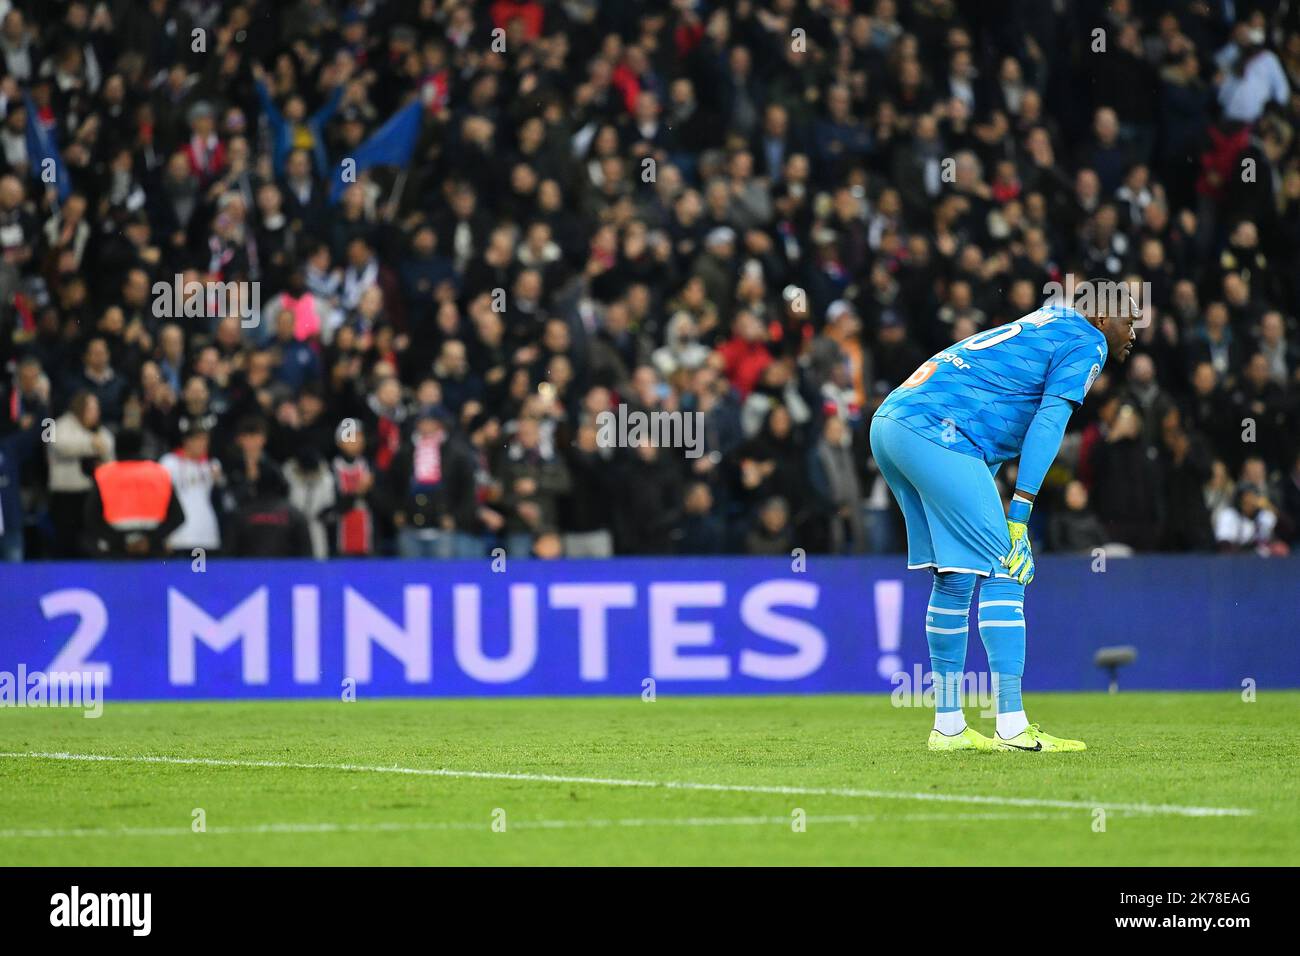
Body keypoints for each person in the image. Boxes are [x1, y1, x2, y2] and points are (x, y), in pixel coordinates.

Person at [869, 280, 1136, 752]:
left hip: (892, 422)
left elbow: (990, 413)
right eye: (1128, 320)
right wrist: (1019, 516)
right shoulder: (1087, 340)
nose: (1133, 331)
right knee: (1006, 567)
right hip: (937, 432)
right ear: (1100, 317)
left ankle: (949, 726)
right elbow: (1048, 424)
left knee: (955, 577)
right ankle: (1011, 726)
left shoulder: (1049, 321)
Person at [84, 429, 186, 558]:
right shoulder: (159, 473)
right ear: (141, 447)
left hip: (116, 553)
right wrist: (150, 540)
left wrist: (121, 541)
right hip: (153, 551)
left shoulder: (104, 474)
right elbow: (178, 517)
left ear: (116, 447)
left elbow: (91, 517)